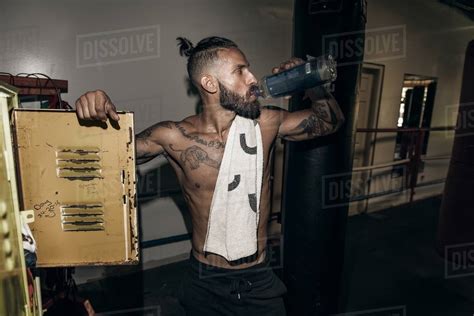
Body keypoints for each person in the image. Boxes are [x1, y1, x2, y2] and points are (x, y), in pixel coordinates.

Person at [75, 36, 345, 316]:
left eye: (249, 69)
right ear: (210, 83)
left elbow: (330, 122)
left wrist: (312, 82)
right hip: (204, 282)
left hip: (259, 280)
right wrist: (96, 113)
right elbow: (113, 154)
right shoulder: (174, 137)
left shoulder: (267, 123)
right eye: (240, 71)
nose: (253, 78)